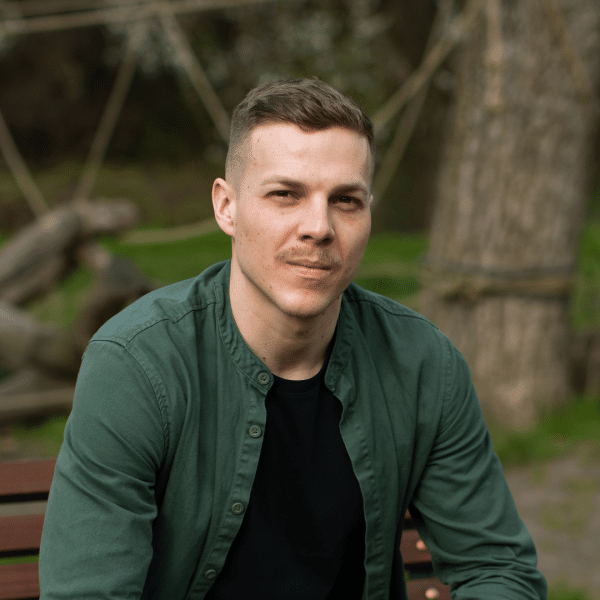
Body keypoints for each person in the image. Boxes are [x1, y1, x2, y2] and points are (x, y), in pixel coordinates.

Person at [39, 78, 547, 600]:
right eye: (286, 194)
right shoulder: (137, 366)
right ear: (226, 207)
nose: (319, 227)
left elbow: (498, 570)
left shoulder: (423, 364)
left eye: (346, 200)